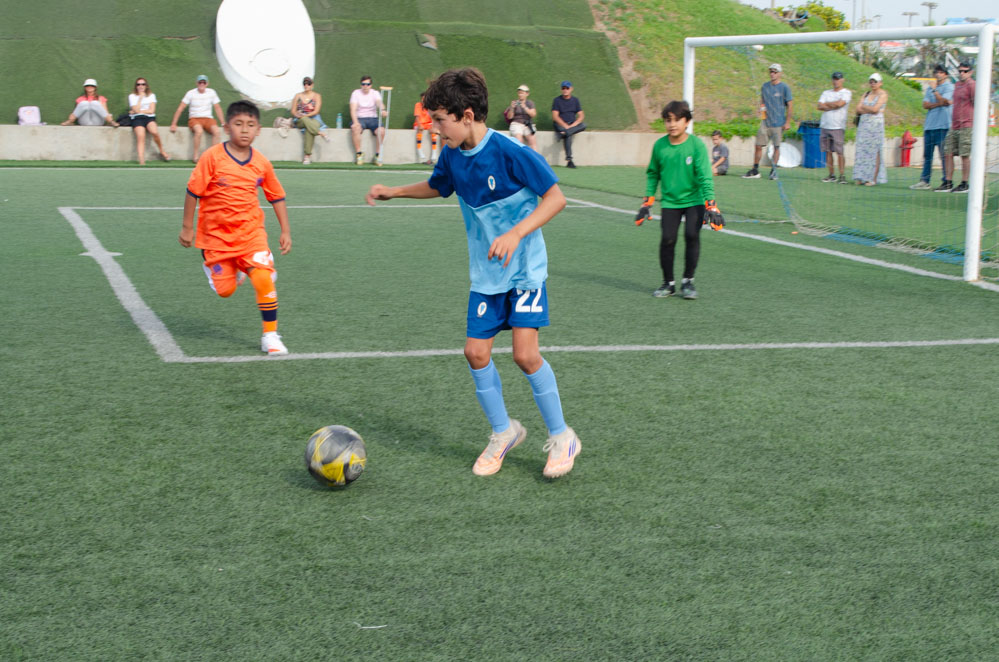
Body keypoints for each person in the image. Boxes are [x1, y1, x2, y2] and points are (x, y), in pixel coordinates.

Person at [365, 67, 581, 479]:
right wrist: (394, 190)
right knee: (475, 352)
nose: (435, 128)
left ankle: (562, 436)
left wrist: (516, 234)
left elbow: (556, 198)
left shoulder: (511, 151)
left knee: (524, 355)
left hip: (524, 270)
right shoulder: (451, 153)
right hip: (487, 272)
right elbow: (439, 185)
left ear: (466, 115)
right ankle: (504, 433)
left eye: (440, 120)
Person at [179, 101, 292, 356]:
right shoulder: (212, 157)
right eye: (238, 124)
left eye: (250, 125)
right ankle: (227, 269)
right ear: (227, 127)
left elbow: (276, 196)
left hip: (251, 233)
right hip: (216, 237)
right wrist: (187, 228)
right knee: (225, 291)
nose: (244, 130)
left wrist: (285, 231)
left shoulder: (261, 163)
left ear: (258, 130)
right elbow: (193, 191)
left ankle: (270, 335)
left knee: (263, 279)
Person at [639, 100, 718, 301]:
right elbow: (653, 174)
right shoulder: (660, 146)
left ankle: (688, 282)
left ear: (687, 122)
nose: (672, 124)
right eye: (668, 120)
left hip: (694, 200)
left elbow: (705, 176)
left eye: (677, 120)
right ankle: (669, 283)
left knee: (692, 235)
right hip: (670, 202)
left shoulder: (696, 145)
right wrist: (647, 202)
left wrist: (711, 204)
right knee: (667, 239)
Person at [743, 63, 792, 180]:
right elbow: (762, 102)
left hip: (778, 123)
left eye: (775, 72)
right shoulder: (765, 86)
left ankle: (774, 171)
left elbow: (790, 105)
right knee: (758, 145)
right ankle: (755, 169)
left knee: (776, 147)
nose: (772, 74)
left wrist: (787, 122)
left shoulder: (785, 88)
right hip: (765, 122)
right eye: (771, 71)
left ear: (780, 73)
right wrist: (761, 112)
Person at [911, 64, 953, 190]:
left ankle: (946, 181)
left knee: (944, 155)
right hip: (929, 126)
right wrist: (938, 103)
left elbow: (945, 101)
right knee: (927, 156)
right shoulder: (930, 88)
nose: (938, 74)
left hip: (943, 126)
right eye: (936, 72)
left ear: (946, 75)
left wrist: (935, 92)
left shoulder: (949, 87)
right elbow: (925, 105)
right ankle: (925, 180)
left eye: (941, 72)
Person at [938, 62, 975, 193]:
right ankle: (948, 182)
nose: (962, 73)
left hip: (967, 124)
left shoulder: (972, 85)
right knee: (948, 152)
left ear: (970, 72)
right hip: (954, 125)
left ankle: (964, 183)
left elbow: (976, 103)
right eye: (960, 71)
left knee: (964, 154)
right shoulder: (957, 85)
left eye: (965, 71)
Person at [169, 75, 225, 161]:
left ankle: (213, 156)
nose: (202, 84)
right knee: (199, 131)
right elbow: (180, 108)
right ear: (197, 83)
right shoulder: (190, 93)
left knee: (216, 132)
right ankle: (195, 156)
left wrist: (223, 123)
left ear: (207, 84)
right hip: (194, 119)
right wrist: (174, 124)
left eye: (204, 82)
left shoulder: (212, 92)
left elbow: (217, 108)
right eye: (200, 82)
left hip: (208, 119)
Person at [853, 72, 888, 186]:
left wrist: (864, 107)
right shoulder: (866, 94)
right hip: (864, 125)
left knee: (874, 151)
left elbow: (875, 109)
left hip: (875, 126)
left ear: (880, 83)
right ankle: (861, 176)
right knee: (862, 150)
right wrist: (868, 109)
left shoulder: (883, 94)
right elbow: (858, 109)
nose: (873, 84)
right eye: (871, 82)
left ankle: (872, 178)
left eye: (875, 82)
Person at [816, 71, 851, 183]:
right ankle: (831, 174)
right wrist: (833, 105)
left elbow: (840, 104)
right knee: (828, 151)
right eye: (834, 79)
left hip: (838, 126)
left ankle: (842, 175)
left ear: (842, 80)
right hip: (825, 125)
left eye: (838, 79)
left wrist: (827, 105)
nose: (836, 81)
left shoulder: (846, 92)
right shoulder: (826, 92)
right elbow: (819, 106)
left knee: (839, 152)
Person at [127, 77, 170, 165]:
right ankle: (141, 160)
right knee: (141, 136)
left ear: (146, 86)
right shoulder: (132, 96)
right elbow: (136, 110)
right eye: (138, 84)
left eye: (143, 84)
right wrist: (140, 98)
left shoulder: (151, 95)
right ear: (136, 86)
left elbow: (152, 110)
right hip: (137, 118)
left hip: (149, 118)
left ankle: (162, 151)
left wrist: (138, 111)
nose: (141, 86)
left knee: (154, 132)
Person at [289, 76, 328, 165]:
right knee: (304, 120)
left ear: (312, 85)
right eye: (305, 84)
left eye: (308, 83)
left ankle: (307, 156)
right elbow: (293, 111)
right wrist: (298, 115)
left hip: (314, 119)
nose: (306, 85)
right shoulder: (298, 96)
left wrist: (305, 115)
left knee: (308, 129)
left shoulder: (317, 96)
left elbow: (316, 111)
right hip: (300, 120)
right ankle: (319, 132)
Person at [350, 75, 386, 166]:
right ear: (361, 85)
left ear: (371, 85)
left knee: (381, 131)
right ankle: (359, 154)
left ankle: (377, 155)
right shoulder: (356, 93)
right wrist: (356, 122)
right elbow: (353, 109)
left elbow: (379, 103)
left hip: (373, 118)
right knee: (355, 128)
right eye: (363, 84)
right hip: (360, 118)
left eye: (368, 84)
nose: (365, 86)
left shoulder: (375, 93)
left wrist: (382, 110)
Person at [551, 81, 586, 168]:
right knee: (568, 135)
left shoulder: (575, 100)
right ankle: (569, 160)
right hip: (560, 124)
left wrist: (572, 126)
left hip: (571, 124)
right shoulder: (557, 100)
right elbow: (555, 116)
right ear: (561, 89)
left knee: (583, 125)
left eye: (567, 88)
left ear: (571, 89)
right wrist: (565, 126)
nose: (565, 90)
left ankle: (563, 134)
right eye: (563, 88)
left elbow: (581, 115)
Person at [506, 84, 538, 151]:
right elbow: (510, 117)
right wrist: (512, 108)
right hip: (516, 124)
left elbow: (533, 114)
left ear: (527, 94)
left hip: (527, 124)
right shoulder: (515, 102)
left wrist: (525, 107)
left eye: (522, 93)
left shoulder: (530, 103)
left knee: (532, 141)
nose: (520, 95)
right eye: (519, 93)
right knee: (519, 140)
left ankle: (534, 157)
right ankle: (520, 157)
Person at [413, 93, 438, 164]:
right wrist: (419, 125)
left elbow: (433, 118)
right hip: (419, 124)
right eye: (422, 99)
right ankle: (419, 149)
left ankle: (434, 152)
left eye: (425, 99)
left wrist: (433, 126)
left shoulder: (431, 106)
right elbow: (417, 117)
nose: (423, 100)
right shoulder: (418, 105)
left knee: (433, 131)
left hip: (428, 124)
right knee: (420, 129)